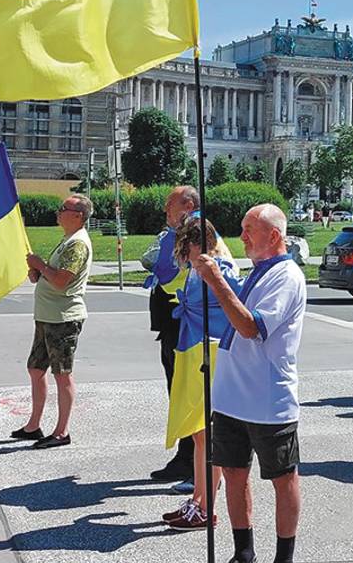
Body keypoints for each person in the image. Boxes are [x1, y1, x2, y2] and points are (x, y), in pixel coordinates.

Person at [191, 204, 305, 563]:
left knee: (283, 478)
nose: (241, 237)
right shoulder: (260, 270)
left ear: (273, 236)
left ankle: (283, 557)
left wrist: (217, 281)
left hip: (267, 399)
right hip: (231, 396)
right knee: (233, 472)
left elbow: (250, 326)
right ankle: (244, 552)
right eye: (242, 228)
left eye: (249, 230)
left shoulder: (286, 276)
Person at [161, 217, 242, 531]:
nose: (184, 252)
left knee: (206, 433)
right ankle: (198, 500)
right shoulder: (197, 269)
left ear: (200, 243)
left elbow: (238, 299)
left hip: (208, 352)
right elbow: (167, 280)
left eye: (186, 245)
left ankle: (207, 506)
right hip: (193, 351)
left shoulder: (218, 268)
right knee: (199, 434)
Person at [13, 194, 94, 449]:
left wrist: (40, 265)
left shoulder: (77, 244)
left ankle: (61, 432)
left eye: (64, 208)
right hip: (48, 316)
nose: (59, 212)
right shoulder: (67, 240)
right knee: (36, 369)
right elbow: (53, 276)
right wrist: (39, 271)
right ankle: (33, 425)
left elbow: (61, 282)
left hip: (63, 318)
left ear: (78, 216)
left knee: (62, 374)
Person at [145, 186, 201, 485]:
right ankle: (186, 457)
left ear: (188, 205)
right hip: (175, 325)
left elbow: (177, 274)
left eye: (170, 204)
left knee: (189, 395)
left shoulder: (195, 231)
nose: (165, 209)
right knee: (180, 393)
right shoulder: (180, 230)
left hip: (187, 325)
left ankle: (196, 465)